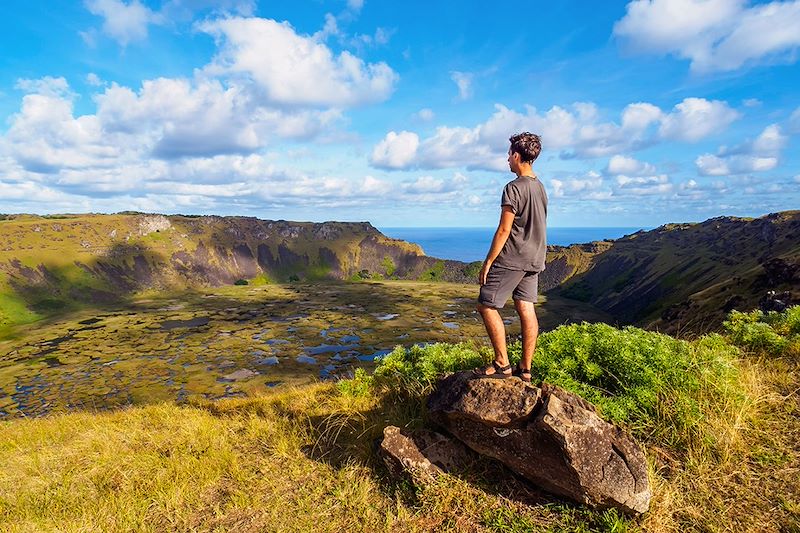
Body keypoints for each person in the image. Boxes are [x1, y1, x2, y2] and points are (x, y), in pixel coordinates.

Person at [473, 132, 547, 382]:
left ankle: (502, 364)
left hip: (513, 258)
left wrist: (489, 261)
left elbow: (504, 229)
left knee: (486, 304)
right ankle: (525, 369)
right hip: (534, 258)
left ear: (517, 156)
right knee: (526, 307)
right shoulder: (540, 187)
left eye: (508, 154)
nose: (507, 159)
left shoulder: (513, 188)